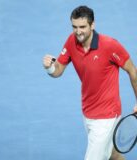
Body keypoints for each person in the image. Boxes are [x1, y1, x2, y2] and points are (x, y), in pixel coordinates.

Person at [42, 5, 137, 160]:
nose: (78, 32)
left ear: (93, 25)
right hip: (88, 111)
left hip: (107, 115)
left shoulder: (110, 45)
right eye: (74, 27)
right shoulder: (71, 41)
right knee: (112, 154)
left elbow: (133, 71)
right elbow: (58, 70)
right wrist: (50, 67)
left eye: (82, 27)